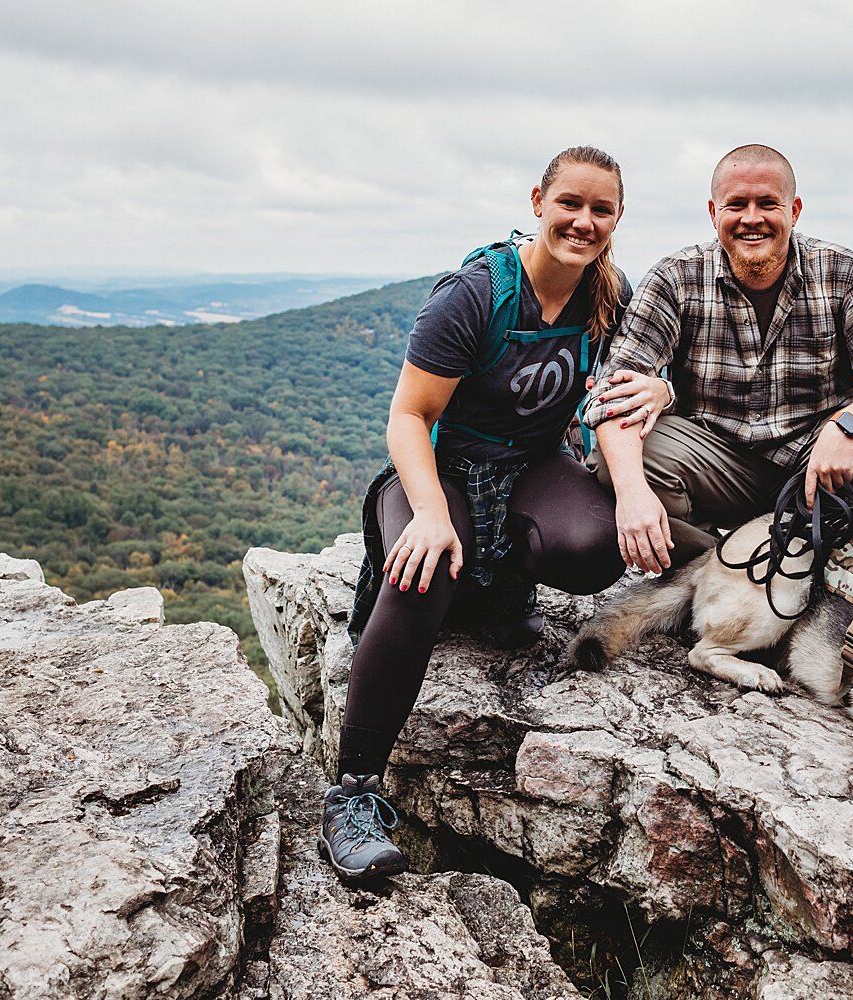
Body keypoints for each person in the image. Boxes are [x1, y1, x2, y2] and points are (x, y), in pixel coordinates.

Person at [320, 146, 672, 883]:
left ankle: (497, 592)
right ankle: (351, 792)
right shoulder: (474, 295)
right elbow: (409, 417)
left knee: (593, 545)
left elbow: (633, 384)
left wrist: (662, 393)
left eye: (600, 209)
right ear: (538, 199)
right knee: (423, 570)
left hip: (529, 467)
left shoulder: (608, 294)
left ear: (617, 218)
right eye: (568, 203)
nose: (582, 221)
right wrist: (427, 512)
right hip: (440, 466)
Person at [583, 144, 853, 573]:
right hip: (715, 461)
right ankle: (721, 570)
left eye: (767, 204)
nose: (751, 218)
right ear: (713, 211)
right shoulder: (675, 277)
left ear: (793, 210)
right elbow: (613, 391)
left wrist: (846, 426)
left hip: (819, 466)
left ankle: (828, 549)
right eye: (736, 204)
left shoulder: (840, 271)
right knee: (619, 461)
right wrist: (631, 495)